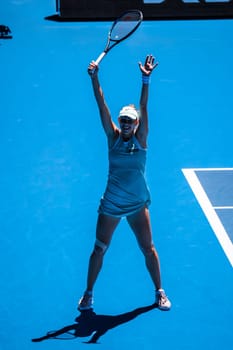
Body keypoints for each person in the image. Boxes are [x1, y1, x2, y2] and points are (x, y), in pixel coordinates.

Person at [78, 54, 171, 311]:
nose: (126, 123)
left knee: (148, 249)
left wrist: (145, 79)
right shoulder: (113, 138)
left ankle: (159, 292)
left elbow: (144, 105)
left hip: (137, 204)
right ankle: (88, 294)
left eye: (130, 120)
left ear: (137, 123)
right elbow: (102, 106)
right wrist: (95, 79)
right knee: (99, 249)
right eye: (123, 120)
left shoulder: (142, 138)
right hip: (111, 204)